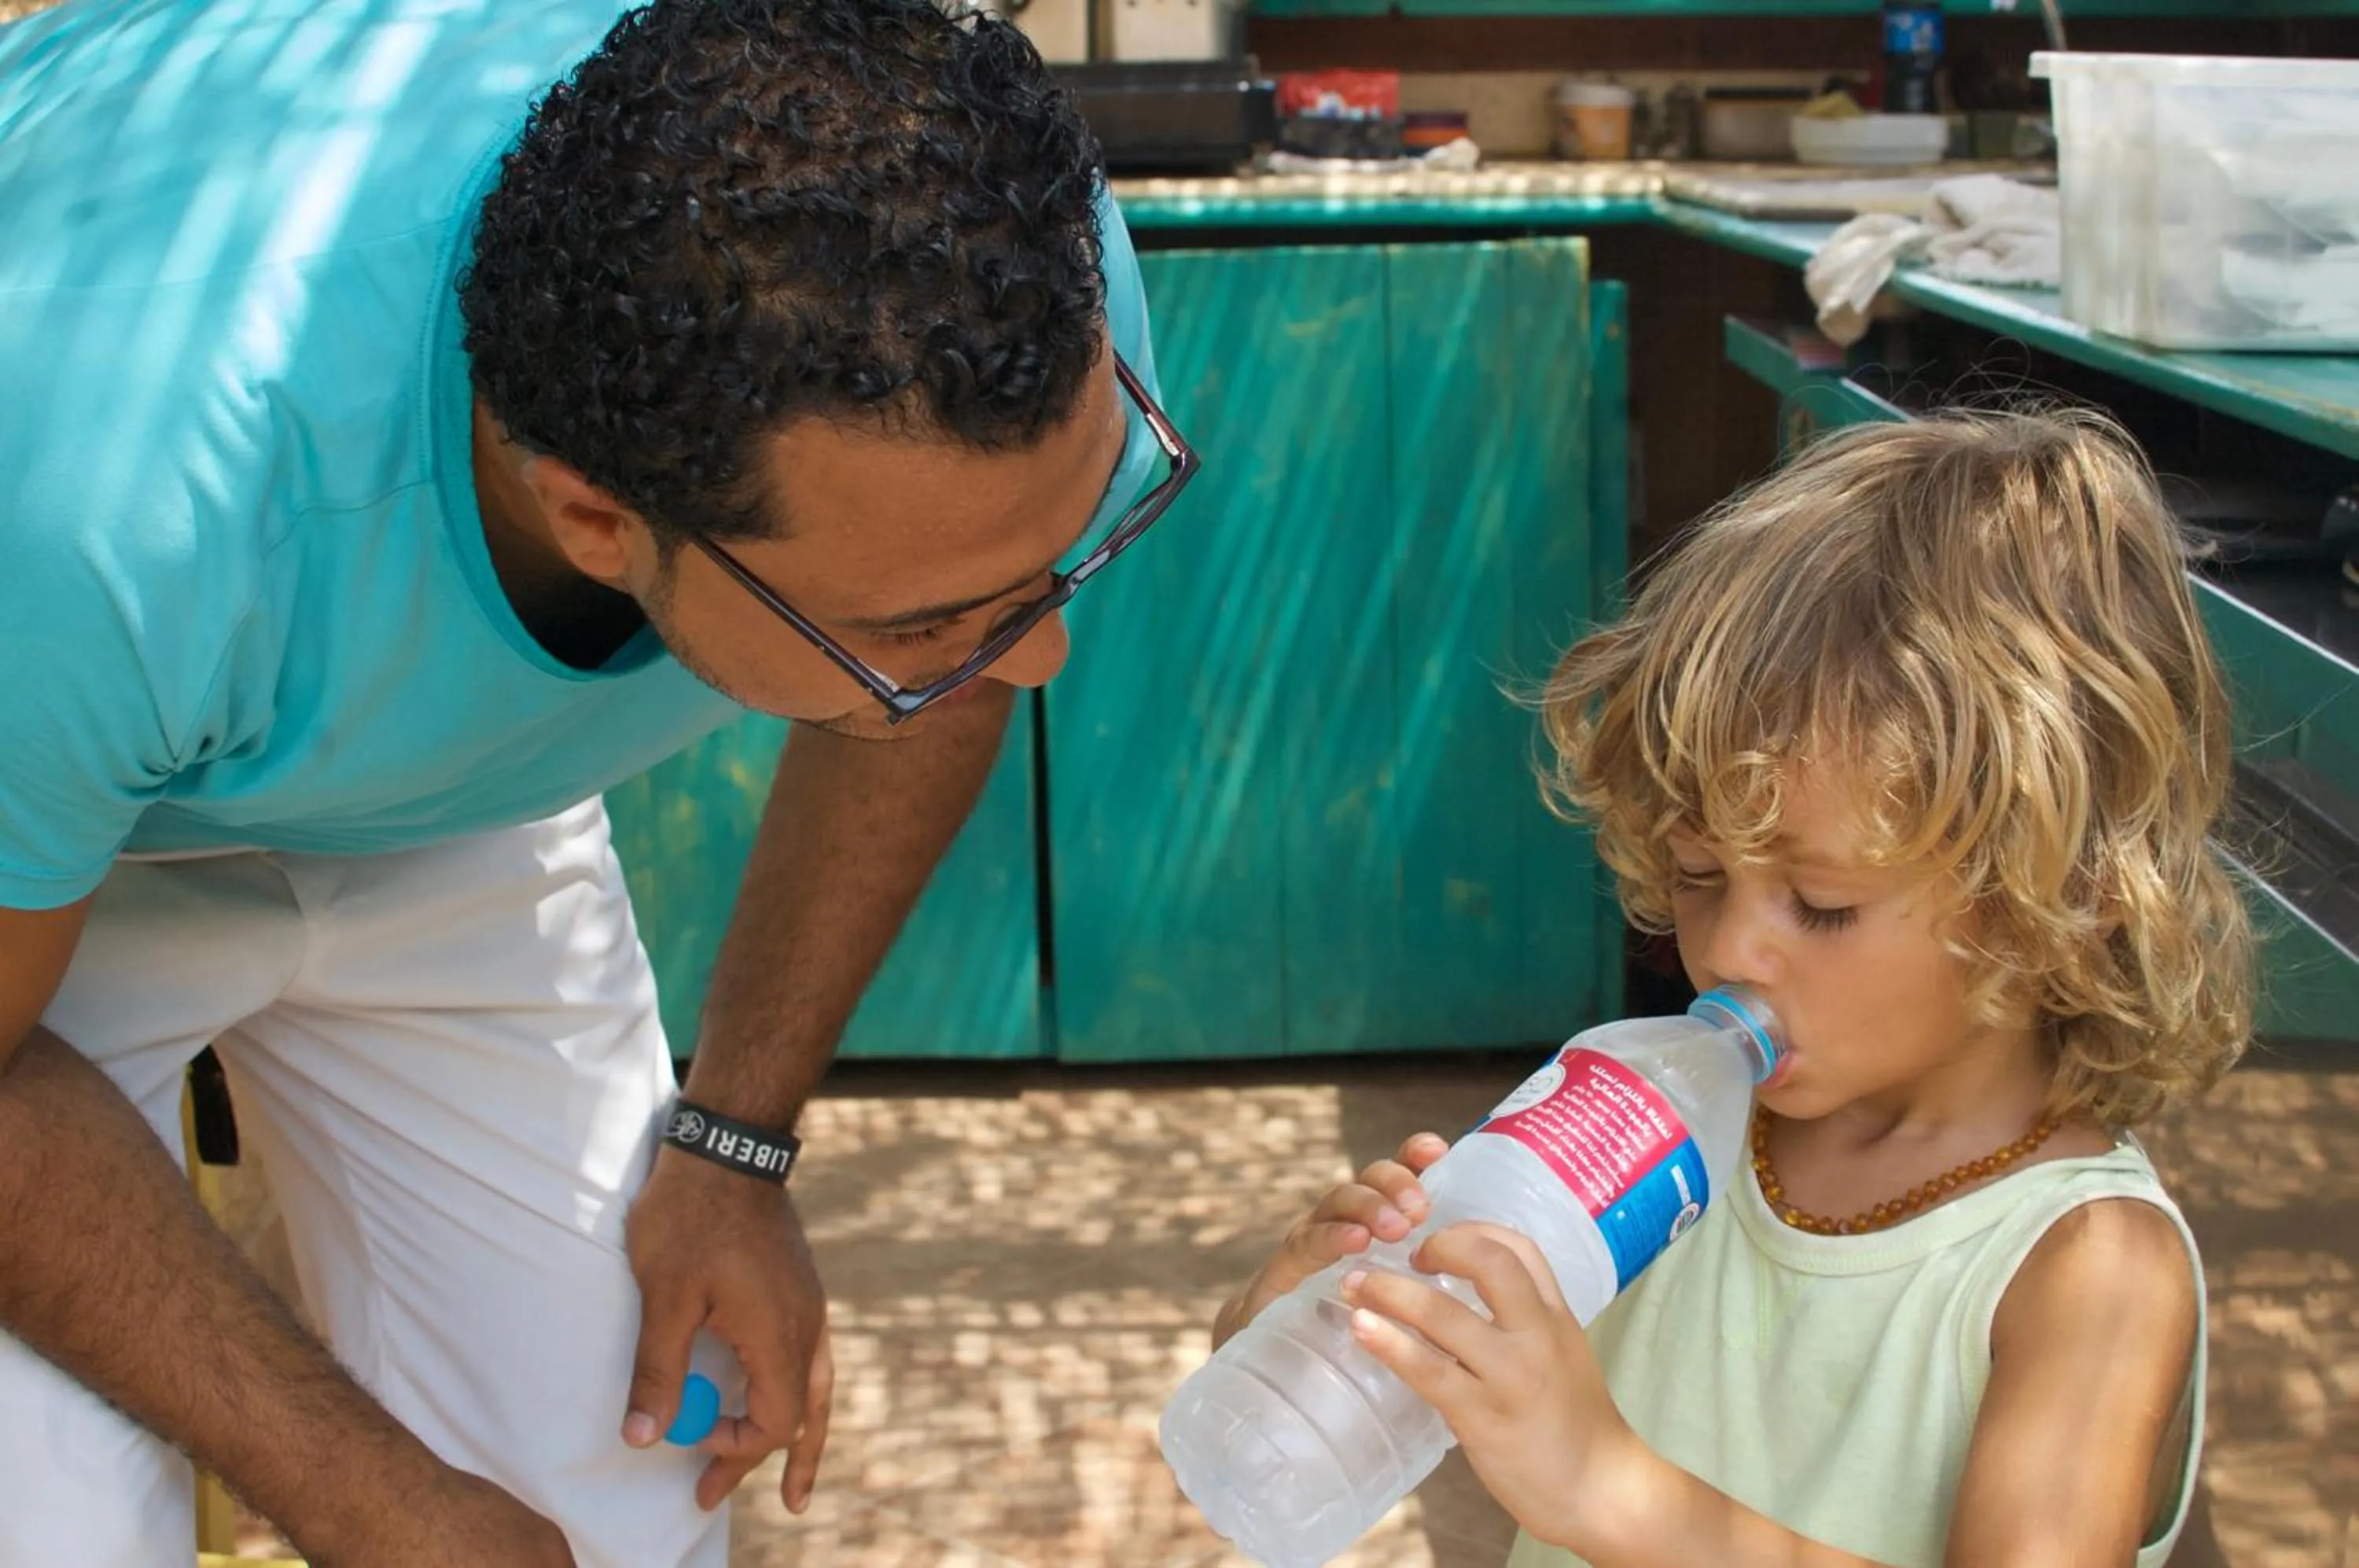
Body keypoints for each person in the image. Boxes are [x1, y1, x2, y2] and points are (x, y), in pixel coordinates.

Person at [0, 0, 1185, 1562]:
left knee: (613, 1497)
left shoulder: (1002, 257)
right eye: (915, 625)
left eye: (1049, 563)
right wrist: (363, 1493)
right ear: (598, 524)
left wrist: (734, 1145)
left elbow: (955, 652)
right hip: (61, 805)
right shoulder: (108, 511)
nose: (1033, 663)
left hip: (420, 775)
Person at [1217, 411, 2247, 1567]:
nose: (1731, 951)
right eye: (1700, 874)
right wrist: (1313, 1328)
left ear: (2065, 886)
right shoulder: (1655, 1143)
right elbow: (1383, 1414)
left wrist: (1608, 1487)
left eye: (1823, 903)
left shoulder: (2088, 1269)